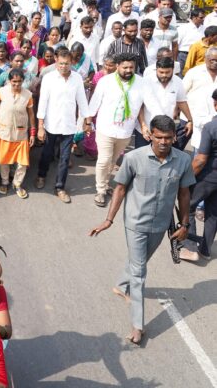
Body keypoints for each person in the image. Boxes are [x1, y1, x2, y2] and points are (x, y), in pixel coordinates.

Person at [89, 115, 194, 346]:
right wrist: (109, 219)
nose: (164, 142)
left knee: (141, 261)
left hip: (160, 224)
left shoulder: (183, 161)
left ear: (174, 137)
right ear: (150, 135)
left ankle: (120, 285)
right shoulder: (134, 158)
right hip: (135, 222)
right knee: (139, 273)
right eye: (159, 137)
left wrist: (184, 224)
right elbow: (120, 188)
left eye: (168, 137)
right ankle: (138, 325)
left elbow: (184, 193)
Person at [36, 48, 92, 203]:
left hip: (68, 125)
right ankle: (41, 175)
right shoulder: (48, 78)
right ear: (56, 61)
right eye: (60, 63)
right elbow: (42, 103)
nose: (63, 66)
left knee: (65, 158)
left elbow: (82, 101)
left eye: (66, 64)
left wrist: (87, 121)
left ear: (71, 62)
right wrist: (40, 126)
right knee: (47, 154)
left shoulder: (77, 79)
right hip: (51, 124)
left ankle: (60, 187)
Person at [89, 53, 146, 207]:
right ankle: (100, 190)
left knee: (113, 161)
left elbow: (143, 106)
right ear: (117, 66)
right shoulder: (106, 82)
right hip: (105, 128)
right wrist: (88, 121)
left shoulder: (141, 83)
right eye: (125, 67)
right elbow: (95, 102)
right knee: (104, 160)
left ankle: (106, 183)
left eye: (131, 67)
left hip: (125, 131)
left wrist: (144, 125)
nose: (128, 70)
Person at [182, 89, 217, 261]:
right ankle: (205, 250)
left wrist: (186, 176)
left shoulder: (211, 127)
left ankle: (189, 248)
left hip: (209, 176)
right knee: (213, 213)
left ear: (215, 104)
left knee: (188, 206)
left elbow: (201, 159)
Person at [0, 69, 35, 198]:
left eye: (19, 81)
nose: (16, 84)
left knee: (22, 162)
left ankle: (17, 184)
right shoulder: (2, 91)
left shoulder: (28, 95)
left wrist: (32, 133)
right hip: (4, 132)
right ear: (10, 81)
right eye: (14, 81)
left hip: (21, 133)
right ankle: (5, 182)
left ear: (23, 81)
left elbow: (31, 114)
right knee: (3, 159)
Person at [136, 56, 192, 149]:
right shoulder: (145, 82)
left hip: (166, 131)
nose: (164, 75)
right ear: (156, 69)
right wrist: (143, 126)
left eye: (167, 72)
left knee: (164, 159)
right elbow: (139, 106)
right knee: (141, 159)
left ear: (173, 70)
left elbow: (182, 102)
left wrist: (190, 120)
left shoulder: (178, 82)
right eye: (161, 72)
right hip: (146, 130)